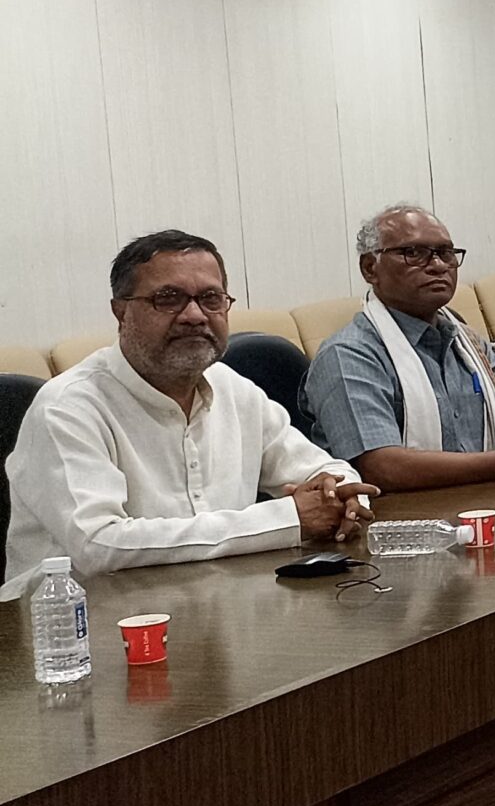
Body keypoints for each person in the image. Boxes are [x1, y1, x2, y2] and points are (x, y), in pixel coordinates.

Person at [2, 231, 377, 598]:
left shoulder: (232, 387)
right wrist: (288, 519)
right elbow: (100, 545)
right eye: (168, 299)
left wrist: (342, 500)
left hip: (217, 600)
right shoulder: (68, 407)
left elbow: (326, 472)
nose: (195, 315)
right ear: (121, 312)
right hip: (74, 622)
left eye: (211, 299)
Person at [305, 205, 495, 492]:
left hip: (490, 501)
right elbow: (382, 468)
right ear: (370, 268)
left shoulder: (466, 340)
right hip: (402, 518)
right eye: (413, 253)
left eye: (446, 253)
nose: (437, 266)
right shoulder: (348, 355)